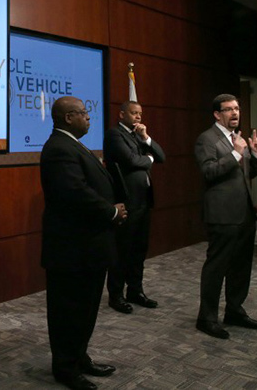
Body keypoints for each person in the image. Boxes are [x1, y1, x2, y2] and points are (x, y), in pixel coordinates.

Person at [40, 96, 127, 390]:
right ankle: (65, 369)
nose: (89, 118)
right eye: (84, 113)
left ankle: (79, 358)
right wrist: (111, 211)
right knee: (68, 311)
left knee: (86, 309)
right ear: (68, 118)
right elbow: (74, 193)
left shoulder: (72, 145)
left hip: (88, 248)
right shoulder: (58, 149)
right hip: (71, 251)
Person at [194, 94, 257, 340]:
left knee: (241, 267)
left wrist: (256, 155)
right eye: (228, 110)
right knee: (217, 267)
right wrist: (235, 154)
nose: (235, 113)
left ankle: (234, 310)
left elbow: (246, 175)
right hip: (222, 214)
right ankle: (207, 318)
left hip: (244, 212)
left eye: (237, 108)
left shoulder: (239, 139)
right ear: (217, 114)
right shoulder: (207, 139)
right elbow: (209, 172)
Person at [103, 100, 165, 314]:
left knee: (139, 249)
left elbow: (162, 156)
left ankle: (135, 290)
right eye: (133, 113)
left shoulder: (138, 136)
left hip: (143, 201)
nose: (138, 117)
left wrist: (146, 138)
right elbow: (130, 161)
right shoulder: (114, 135)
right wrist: (148, 158)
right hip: (126, 201)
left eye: (140, 113)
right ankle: (116, 295)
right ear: (121, 115)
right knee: (122, 250)